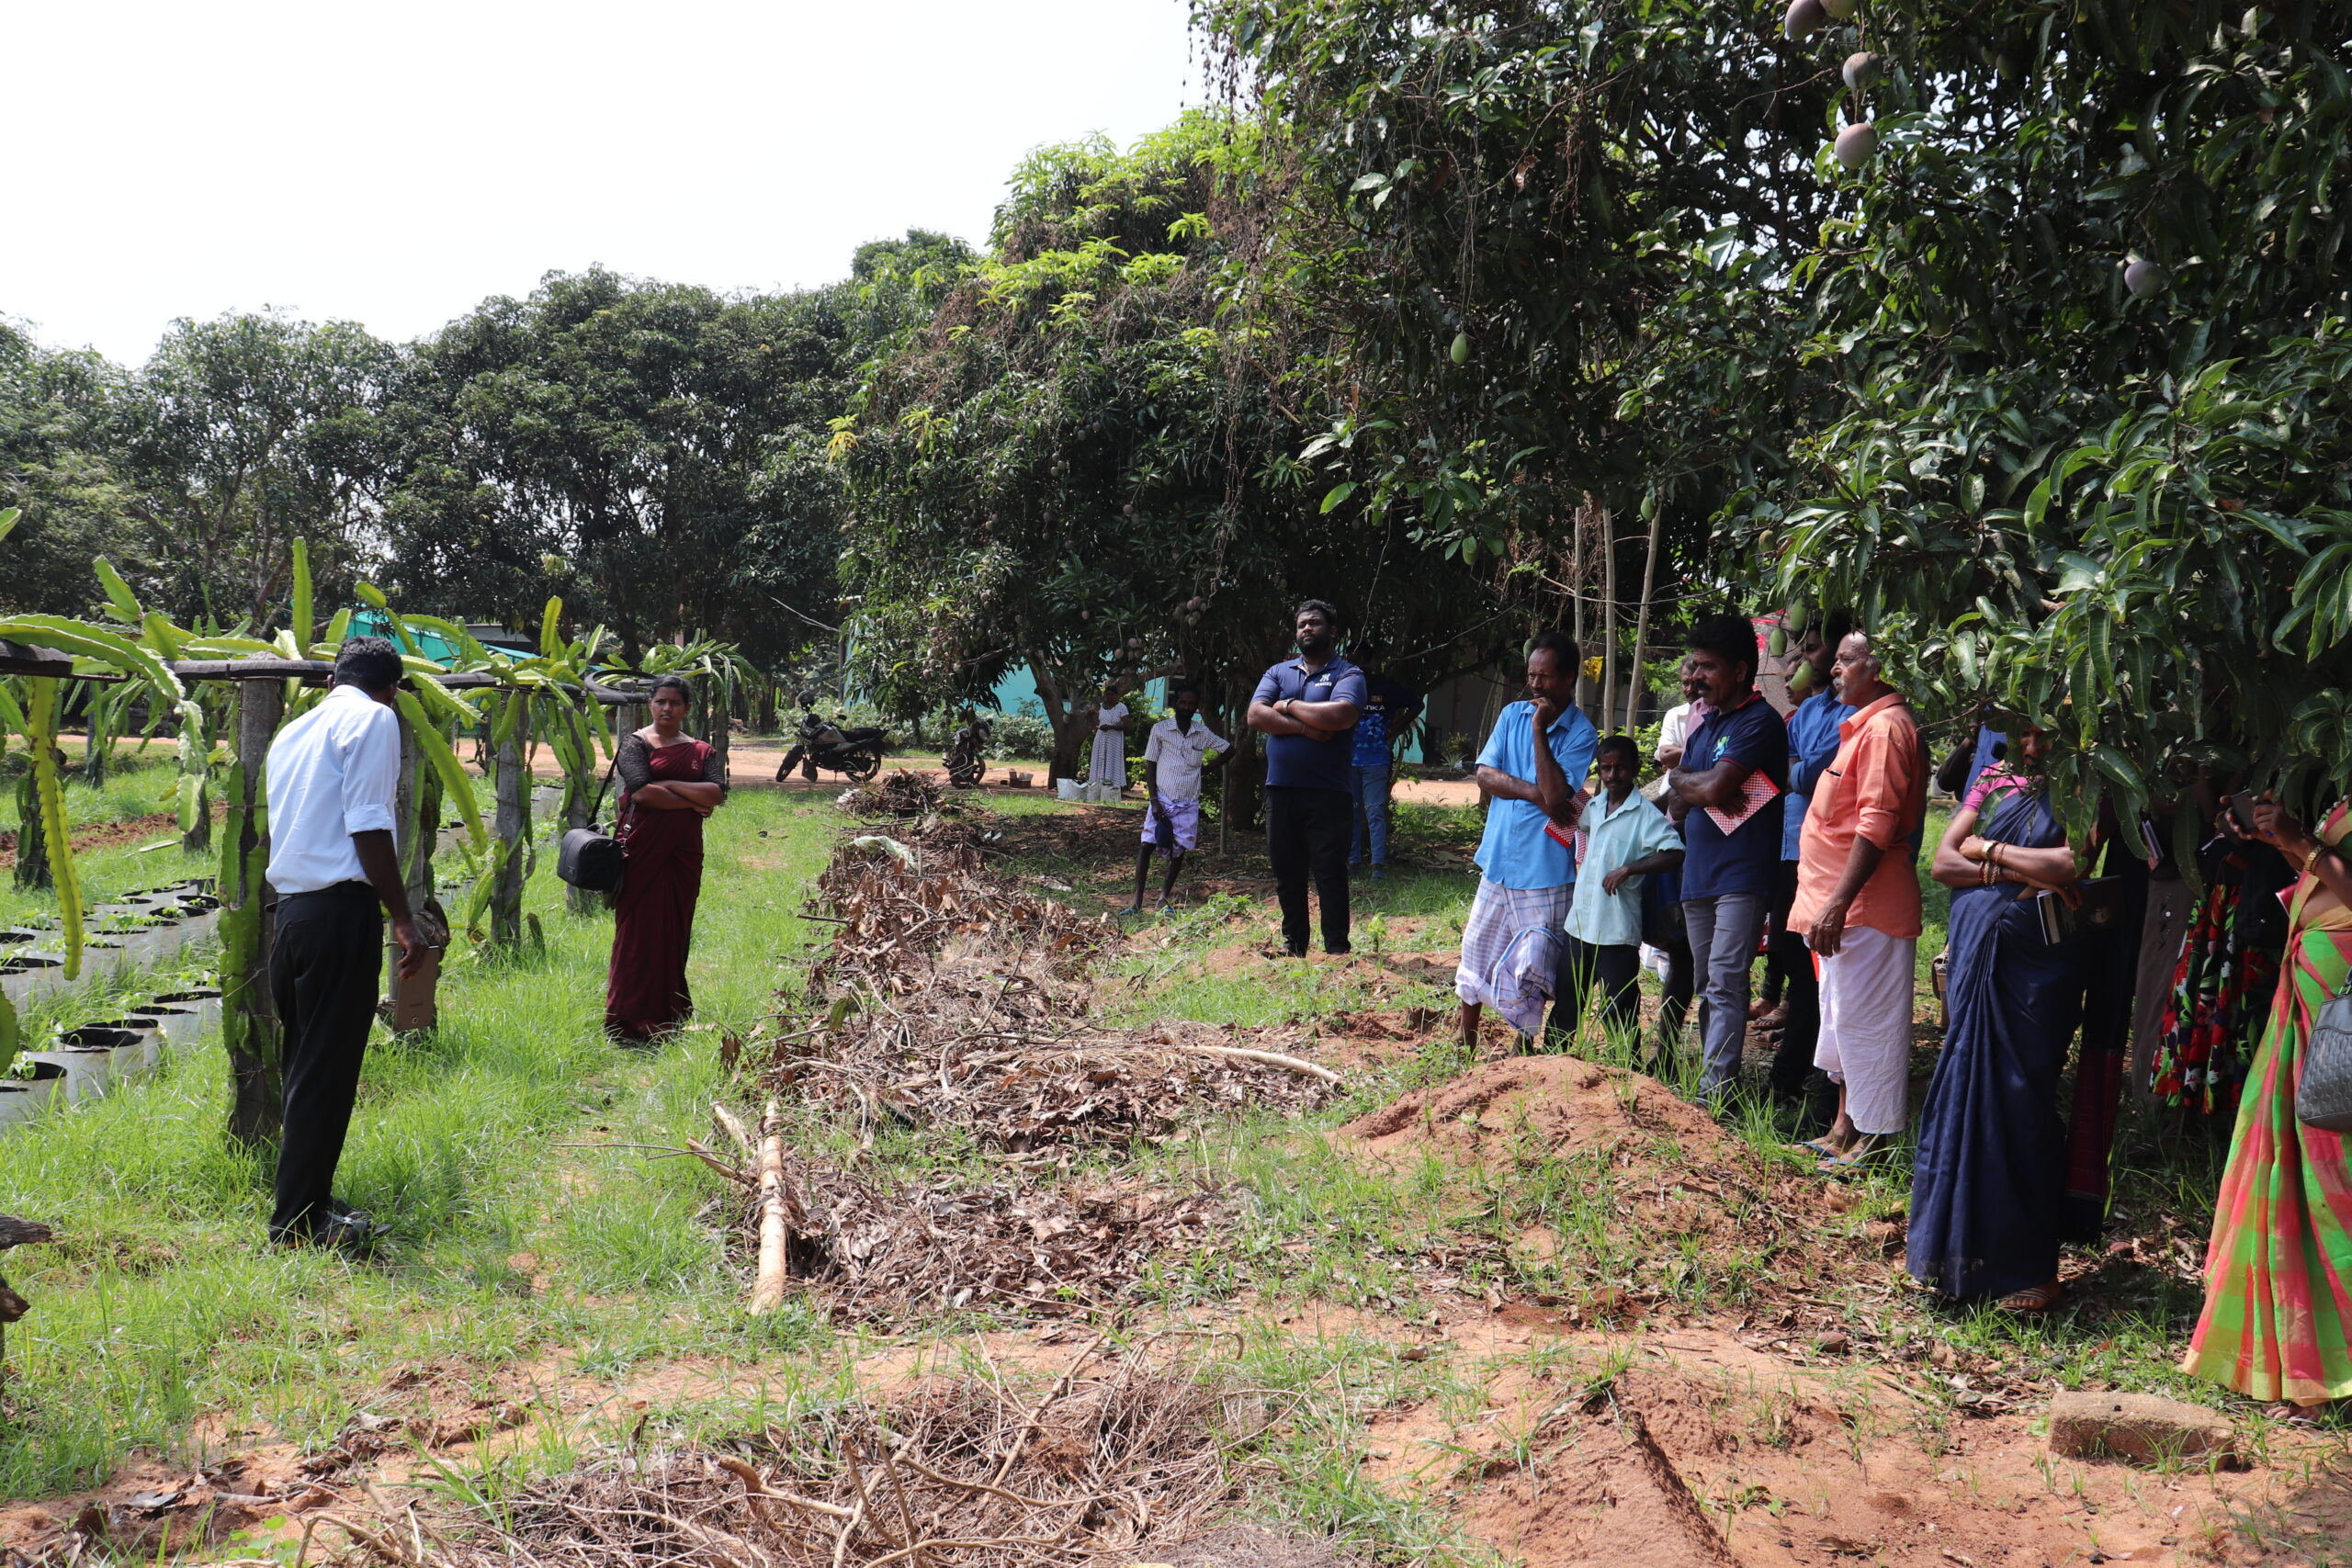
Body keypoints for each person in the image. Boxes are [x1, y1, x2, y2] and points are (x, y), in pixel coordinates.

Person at [1906, 728, 2095, 1312]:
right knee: (1964, 1097)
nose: (2033, 738)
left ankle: (2030, 1272)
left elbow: (2070, 863)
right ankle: (1958, 1260)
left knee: (2019, 1102)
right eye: (2026, 725)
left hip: (2036, 969)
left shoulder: (2087, 782)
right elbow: (1941, 862)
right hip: (1976, 952)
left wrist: (1987, 851)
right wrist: (2022, 870)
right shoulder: (1990, 779)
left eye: (2047, 725)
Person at [2184, 790, 2352, 1403]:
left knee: (2334, 1180)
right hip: (2314, 977)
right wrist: (2274, 835)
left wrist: (2304, 843)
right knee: (2295, 1173)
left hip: (2340, 1000)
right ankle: (2295, 1352)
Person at [263, 636, 426, 1252]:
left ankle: (308, 1199)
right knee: (327, 1072)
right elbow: (368, 824)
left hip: (295, 915)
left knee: (305, 1066)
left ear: (334, 678)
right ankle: (296, 1223)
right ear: (391, 687)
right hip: (339, 913)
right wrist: (403, 917)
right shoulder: (376, 718)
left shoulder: (294, 731)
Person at [1786, 632, 1926, 1170]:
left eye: (1844, 660)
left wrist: (1838, 903)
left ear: (1877, 666)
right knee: (1843, 1022)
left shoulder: (1888, 729)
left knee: (1868, 1025)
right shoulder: (1864, 725)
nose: (1833, 670)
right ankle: (1843, 1127)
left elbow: (1878, 822)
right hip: (1840, 909)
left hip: (1865, 909)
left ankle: (1873, 1139)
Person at [1667, 614, 1790, 1104]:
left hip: (1742, 875)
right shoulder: (1705, 726)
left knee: (1726, 982)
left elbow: (1712, 785)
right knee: (1708, 984)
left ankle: (1714, 1095)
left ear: (1740, 671)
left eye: (1708, 667)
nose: (1696, 677)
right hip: (1697, 875)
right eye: (1694, 666)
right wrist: (1690, 783)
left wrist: (1697, 783)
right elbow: (1678, 800)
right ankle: (1713, 1080)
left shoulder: (1760, 722)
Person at [1454, 632, 1596, 1052]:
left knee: (1535, 961)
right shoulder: (1510, 714)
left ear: (1569, 678)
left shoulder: (1580, 732)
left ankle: (1524, 1042)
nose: (1535, 685)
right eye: (1531, 675)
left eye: (1546, 677)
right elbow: (1486, 776)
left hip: (1545, 867)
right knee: (1476, 947)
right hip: (1499, 858)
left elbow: (1559, 795)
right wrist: (1537, 794)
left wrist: (1538, 729)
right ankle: (1465, 1040)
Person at [1762, 613, 1854, 1104]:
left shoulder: (1853, 715)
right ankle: (1794, 1075)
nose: (1810, 658)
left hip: (1824, 856)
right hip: (1788, 849)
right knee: (1795, 962)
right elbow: (1793, 767)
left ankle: (1805, 1081)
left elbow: (1814, 770)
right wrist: (1801, 769)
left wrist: (1801, 769)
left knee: (1819, 972)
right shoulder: (1813, 710)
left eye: (1818, 649)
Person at [606, 674, 728, 1040]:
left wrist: (672, 787)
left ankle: (669, 1014)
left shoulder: (702, 751)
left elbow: (717, 793)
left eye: (675, 703)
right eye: (660, 701)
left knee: (675, 929)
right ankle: (626, 1020)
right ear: (650, 704)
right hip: (642, 849)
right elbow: (641, 793)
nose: (667, 708)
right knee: (637, 932)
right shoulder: (635, 744)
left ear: (686, 709)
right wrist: (693, 800)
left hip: (683, 853)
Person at [1248, 601, 1365, 956]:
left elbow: (1341, 714)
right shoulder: (1278, 671)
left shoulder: (1348, 673)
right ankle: (1294, 944)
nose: (1306, 630)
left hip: (1328, 792)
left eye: (1314, 623)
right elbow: (1255, 715)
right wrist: (1305, 727)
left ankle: (1336, 950)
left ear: (1332, 631)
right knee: (1287, 871)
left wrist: (1287, 706)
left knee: (1329, 871)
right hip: (1281, 790)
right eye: (1301, 625)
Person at [1555, 734, 1682, 1047]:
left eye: (1620, 768)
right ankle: (1552, 1062)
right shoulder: (1596, 807)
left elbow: (1675, 852)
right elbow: (1584, 829)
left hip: (1617, 928)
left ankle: (1626, 1071)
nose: (1612, 775)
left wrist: (1630, 869)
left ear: (1636, 769)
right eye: (1605, 768)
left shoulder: (1646, 815)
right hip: (1580, 923)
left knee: (1619, 1008)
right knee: (1567, 1002)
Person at [1127, 680, 1230, 915]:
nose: (1186, 706)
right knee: (1147, 845)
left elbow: (1229, 750)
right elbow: (1150, 763)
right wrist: (1153, 801)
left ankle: (1163, 898)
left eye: (1191, 704)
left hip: (1188, 801)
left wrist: (1204, 771)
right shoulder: (1161, 730)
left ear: (1196, 708)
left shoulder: (1201, 732)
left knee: (1179, 851)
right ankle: (1136, 901)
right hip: (1162, 797)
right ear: (1175, 704)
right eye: (1183, 702)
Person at [1348, 659, 1423, 880]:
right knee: (1351, 813)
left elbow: (1417, 704)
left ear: (1374, 663)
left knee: (1375, 813)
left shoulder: (1385, 687)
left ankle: (1377, 867)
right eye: (1355, 659)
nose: (1362, 666)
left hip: (1376, 761)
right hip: (1348, 760)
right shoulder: (1345, 684)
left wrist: (1397, 727)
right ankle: (1352, 863)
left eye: (1365, 660)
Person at [1090, 684, 1131, 795]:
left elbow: (1127, 725)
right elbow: (1094, 720)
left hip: (1114, 740)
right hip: (1101, 738)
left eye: (1111, 695)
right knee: (1099, 760)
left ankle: (1111, 789)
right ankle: (1097, 787)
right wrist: (1095, 726)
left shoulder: (1121, 707)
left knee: (1112, 761)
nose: (1109, 697)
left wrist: (1111, 727)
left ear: (1117, 696)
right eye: (1107, 695)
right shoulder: (1100, 706)